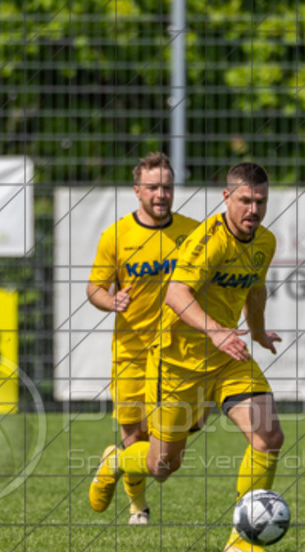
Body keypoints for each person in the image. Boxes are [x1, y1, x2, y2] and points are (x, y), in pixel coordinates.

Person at [89, 162, 285, 552]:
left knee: (268, 434)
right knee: (162, 466)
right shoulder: (207, 241)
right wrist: (216, 330)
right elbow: (176, 294)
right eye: (245, 200)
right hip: (177, 362)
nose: (253, 210)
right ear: (226, 197)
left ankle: (241, 539)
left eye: (261, 202)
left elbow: (255, 289)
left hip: (227, 358)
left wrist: (258, 331)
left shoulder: (265, 241)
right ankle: (115, 463)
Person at [86, 151, 200, 525]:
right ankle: (138, 507)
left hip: (179, 353)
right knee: (136, 438)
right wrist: (112, 301)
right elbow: (94, 288)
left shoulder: (194, 233)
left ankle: (113, 462)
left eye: (167, 187)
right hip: (132, 352)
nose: (161, 194)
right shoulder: (116, 236)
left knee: (168, 461)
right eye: (152, 187)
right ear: (137, 190)